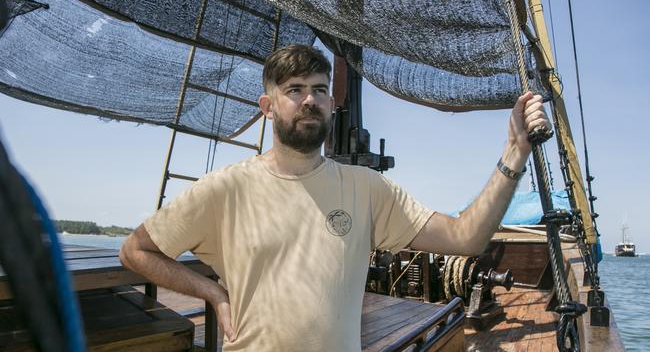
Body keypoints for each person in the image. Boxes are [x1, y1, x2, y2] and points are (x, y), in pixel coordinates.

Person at [119, 44, 550, 351]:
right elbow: (137, 251)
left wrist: (514, 153)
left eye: (320, 89)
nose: (310, 100)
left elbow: (465, 239)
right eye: (294, 90)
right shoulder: (224, 189)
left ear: (331, 103)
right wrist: (213, 294)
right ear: (267, 106)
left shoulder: (365, 188)